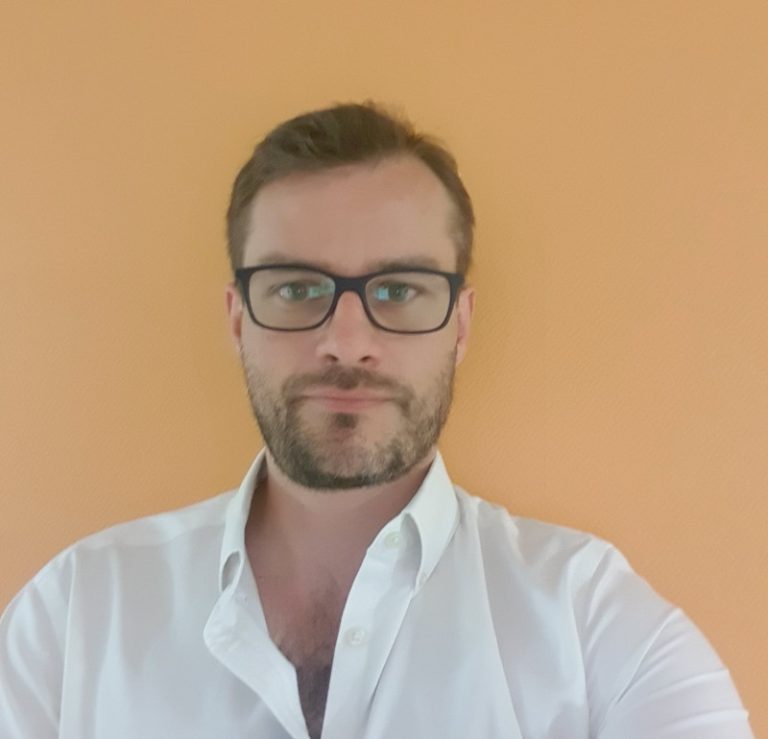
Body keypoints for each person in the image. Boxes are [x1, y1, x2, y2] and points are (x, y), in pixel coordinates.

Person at [0, 103, 753, 739]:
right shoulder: (75, 615)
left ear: (461, 323)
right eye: (297, 288)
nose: (347, 342)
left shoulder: (589, 619)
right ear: (237, 319)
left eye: (397, 290)